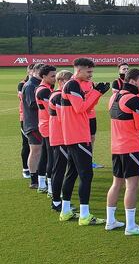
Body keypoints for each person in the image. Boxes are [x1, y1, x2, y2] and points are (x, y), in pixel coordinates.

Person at [60, 58, 110, 225]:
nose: (90, 75)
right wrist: (97, 93)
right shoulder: (72, 85)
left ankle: (65, 211)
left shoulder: (74, 85)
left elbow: (85, 107)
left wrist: (95, 93)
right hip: (78, 135)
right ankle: (84, 215)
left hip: (75, 135)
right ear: (78, 70)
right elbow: (80, 108)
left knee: (72, 173)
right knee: (86, 175)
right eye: (88, 72)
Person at [105, 68, 139, 235]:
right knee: (132, 185)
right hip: (130, 147)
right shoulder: (133, 99)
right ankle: (130, 226)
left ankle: (111, 221)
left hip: (116, 147)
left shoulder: (114, 97)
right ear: (132, 81)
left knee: (116, 183)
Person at [47, 70, 73, 213]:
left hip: (62, 136)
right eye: (70, 81)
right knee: (59, 169)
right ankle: (56, 201)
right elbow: (63, 118)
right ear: (62, 81)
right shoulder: (58, 96)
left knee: (61, 168)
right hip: (60, 137)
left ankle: (59, 199)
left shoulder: (57, 95)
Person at [22, 63, 45, 190]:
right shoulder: (31, 85)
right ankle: (34, 179)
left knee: (40, 151)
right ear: (36, 72)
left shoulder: (37, 84)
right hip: (33, 124)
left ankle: (40, 176)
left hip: (38, 123)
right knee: (36, 151)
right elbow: (32, 104)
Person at [34, 65, 57, 195]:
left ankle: (42, 184)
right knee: (51, 158)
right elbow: (52, 110)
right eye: (52, 76)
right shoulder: (44, 91)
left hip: (44, 125)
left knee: (45, 155)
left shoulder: (44, 89)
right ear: (43, 76)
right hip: (48, 126)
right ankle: (50, 189)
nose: (55, 78)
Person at [18, 64, 35, 179]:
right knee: (26, 144)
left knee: (37, 146)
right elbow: (22, 97)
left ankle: (36, 169)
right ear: (28, 71)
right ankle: (25, 169)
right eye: (32, 70)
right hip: (25, 118)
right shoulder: (23, 84)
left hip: (37, 119)